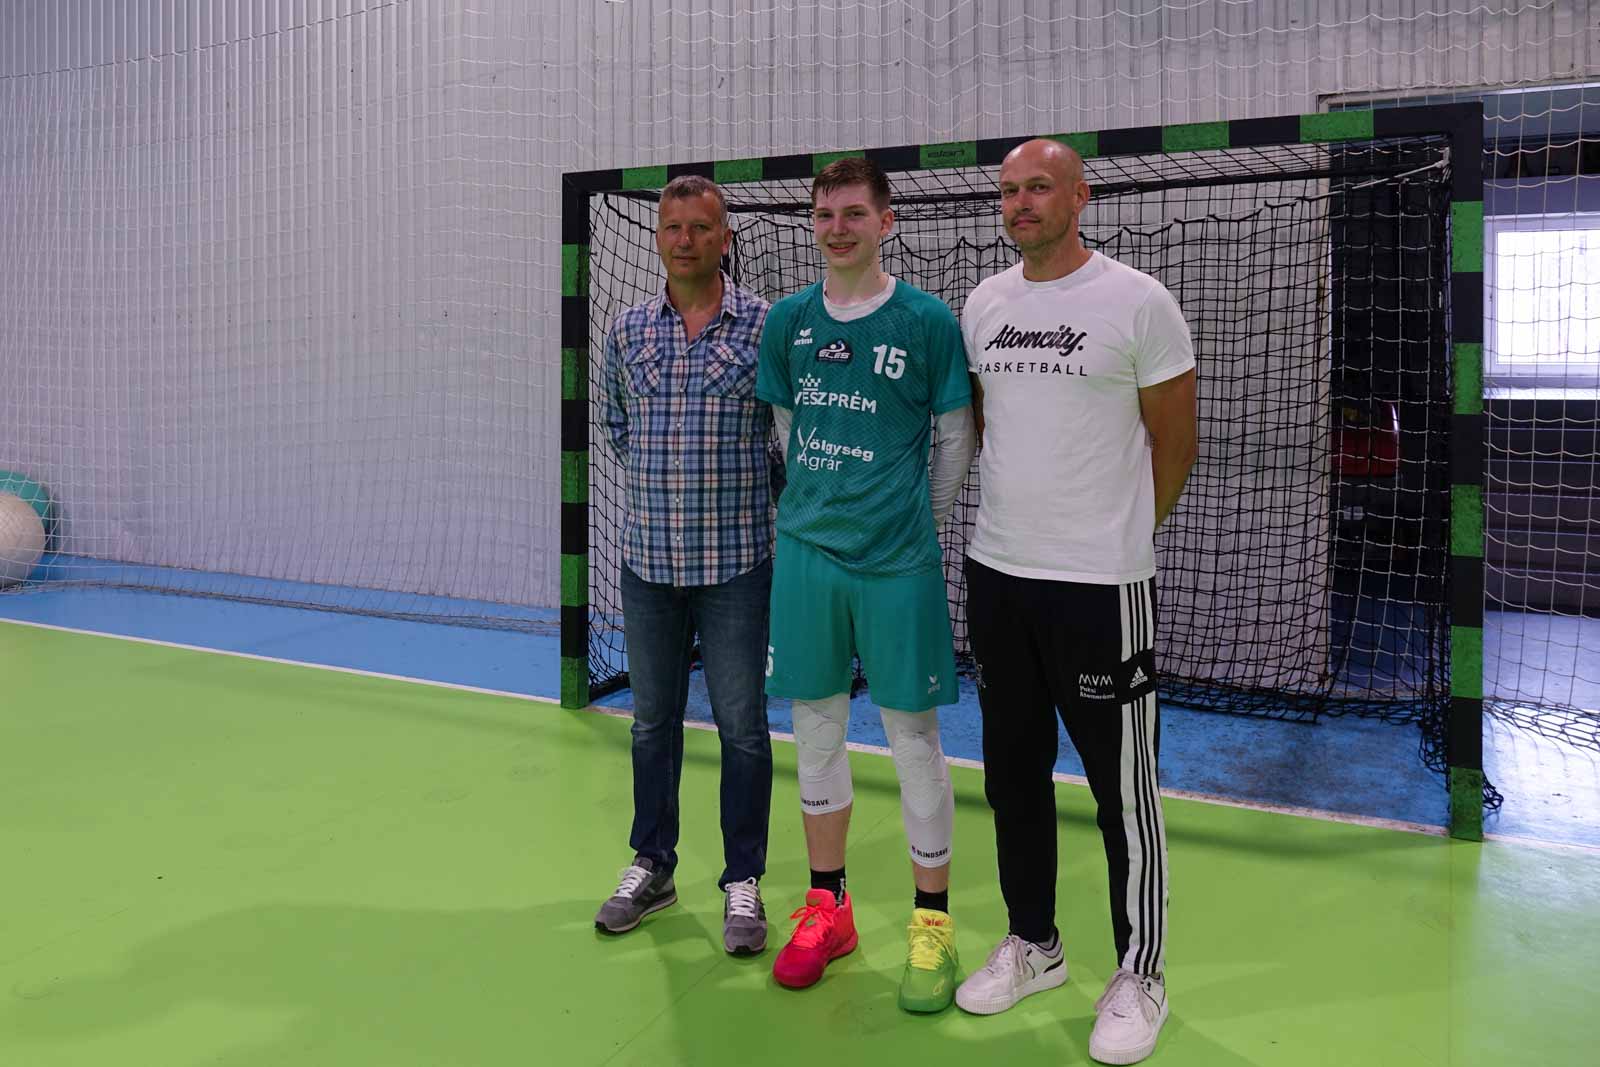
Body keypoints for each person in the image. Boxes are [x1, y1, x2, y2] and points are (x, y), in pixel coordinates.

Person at [953, 139, 1197, 1066]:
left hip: (1101, 589)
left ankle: (1142, 971)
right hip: (998, 574)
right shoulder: (984, 303)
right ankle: (1036, 943)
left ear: (1080, 196)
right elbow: (984, 424)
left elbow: (1176, 442)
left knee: (1121, 791)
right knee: (1012, 775)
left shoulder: (1138, 301)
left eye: (1039, 187)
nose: (1020, 202)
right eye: (1009, 190)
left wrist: (1119, 537)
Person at [755, 157, 977, 1013]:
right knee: (814, 728)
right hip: (808, 555)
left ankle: (932, 923)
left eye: (853, 213)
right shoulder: (788, 321)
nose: (837, 228)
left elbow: (955, 437)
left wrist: (919, 524)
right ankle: (829, 906)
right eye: (824, 214)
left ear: (887, 221)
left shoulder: (925, 320)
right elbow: (788, 428)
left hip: (897, 562)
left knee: (913, 737)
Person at [594, 175, 775, 957]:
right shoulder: (629, 330)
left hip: (737, 564)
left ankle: (744, 877)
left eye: (701, 227)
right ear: (659, 237)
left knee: (743, 729)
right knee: (651, 724)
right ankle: (653, 864)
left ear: (725, 237)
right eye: (673, 227)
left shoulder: (766, 326)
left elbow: (783, 434)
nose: (685, 240)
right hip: (649, 565)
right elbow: (616, 423)